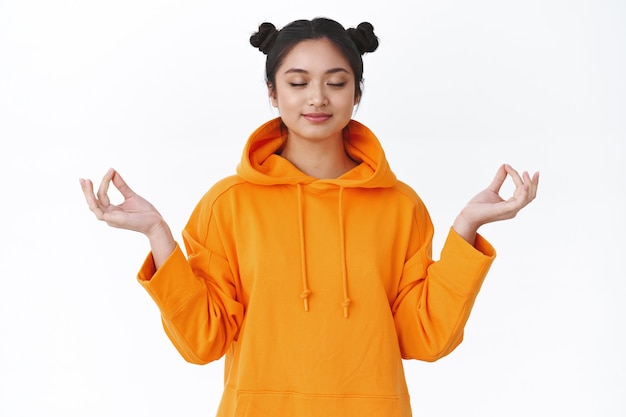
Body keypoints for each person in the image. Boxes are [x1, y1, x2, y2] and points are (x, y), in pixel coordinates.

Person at [79, 17, 538, 417]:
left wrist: (465, 230)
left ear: (356, 93)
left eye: (336, 82)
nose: (317, 98)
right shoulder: (228, 204)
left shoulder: (401, 205)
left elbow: (425, 337)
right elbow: (203, 341)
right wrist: (157, 234)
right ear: (272, 93)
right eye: (298, 83)